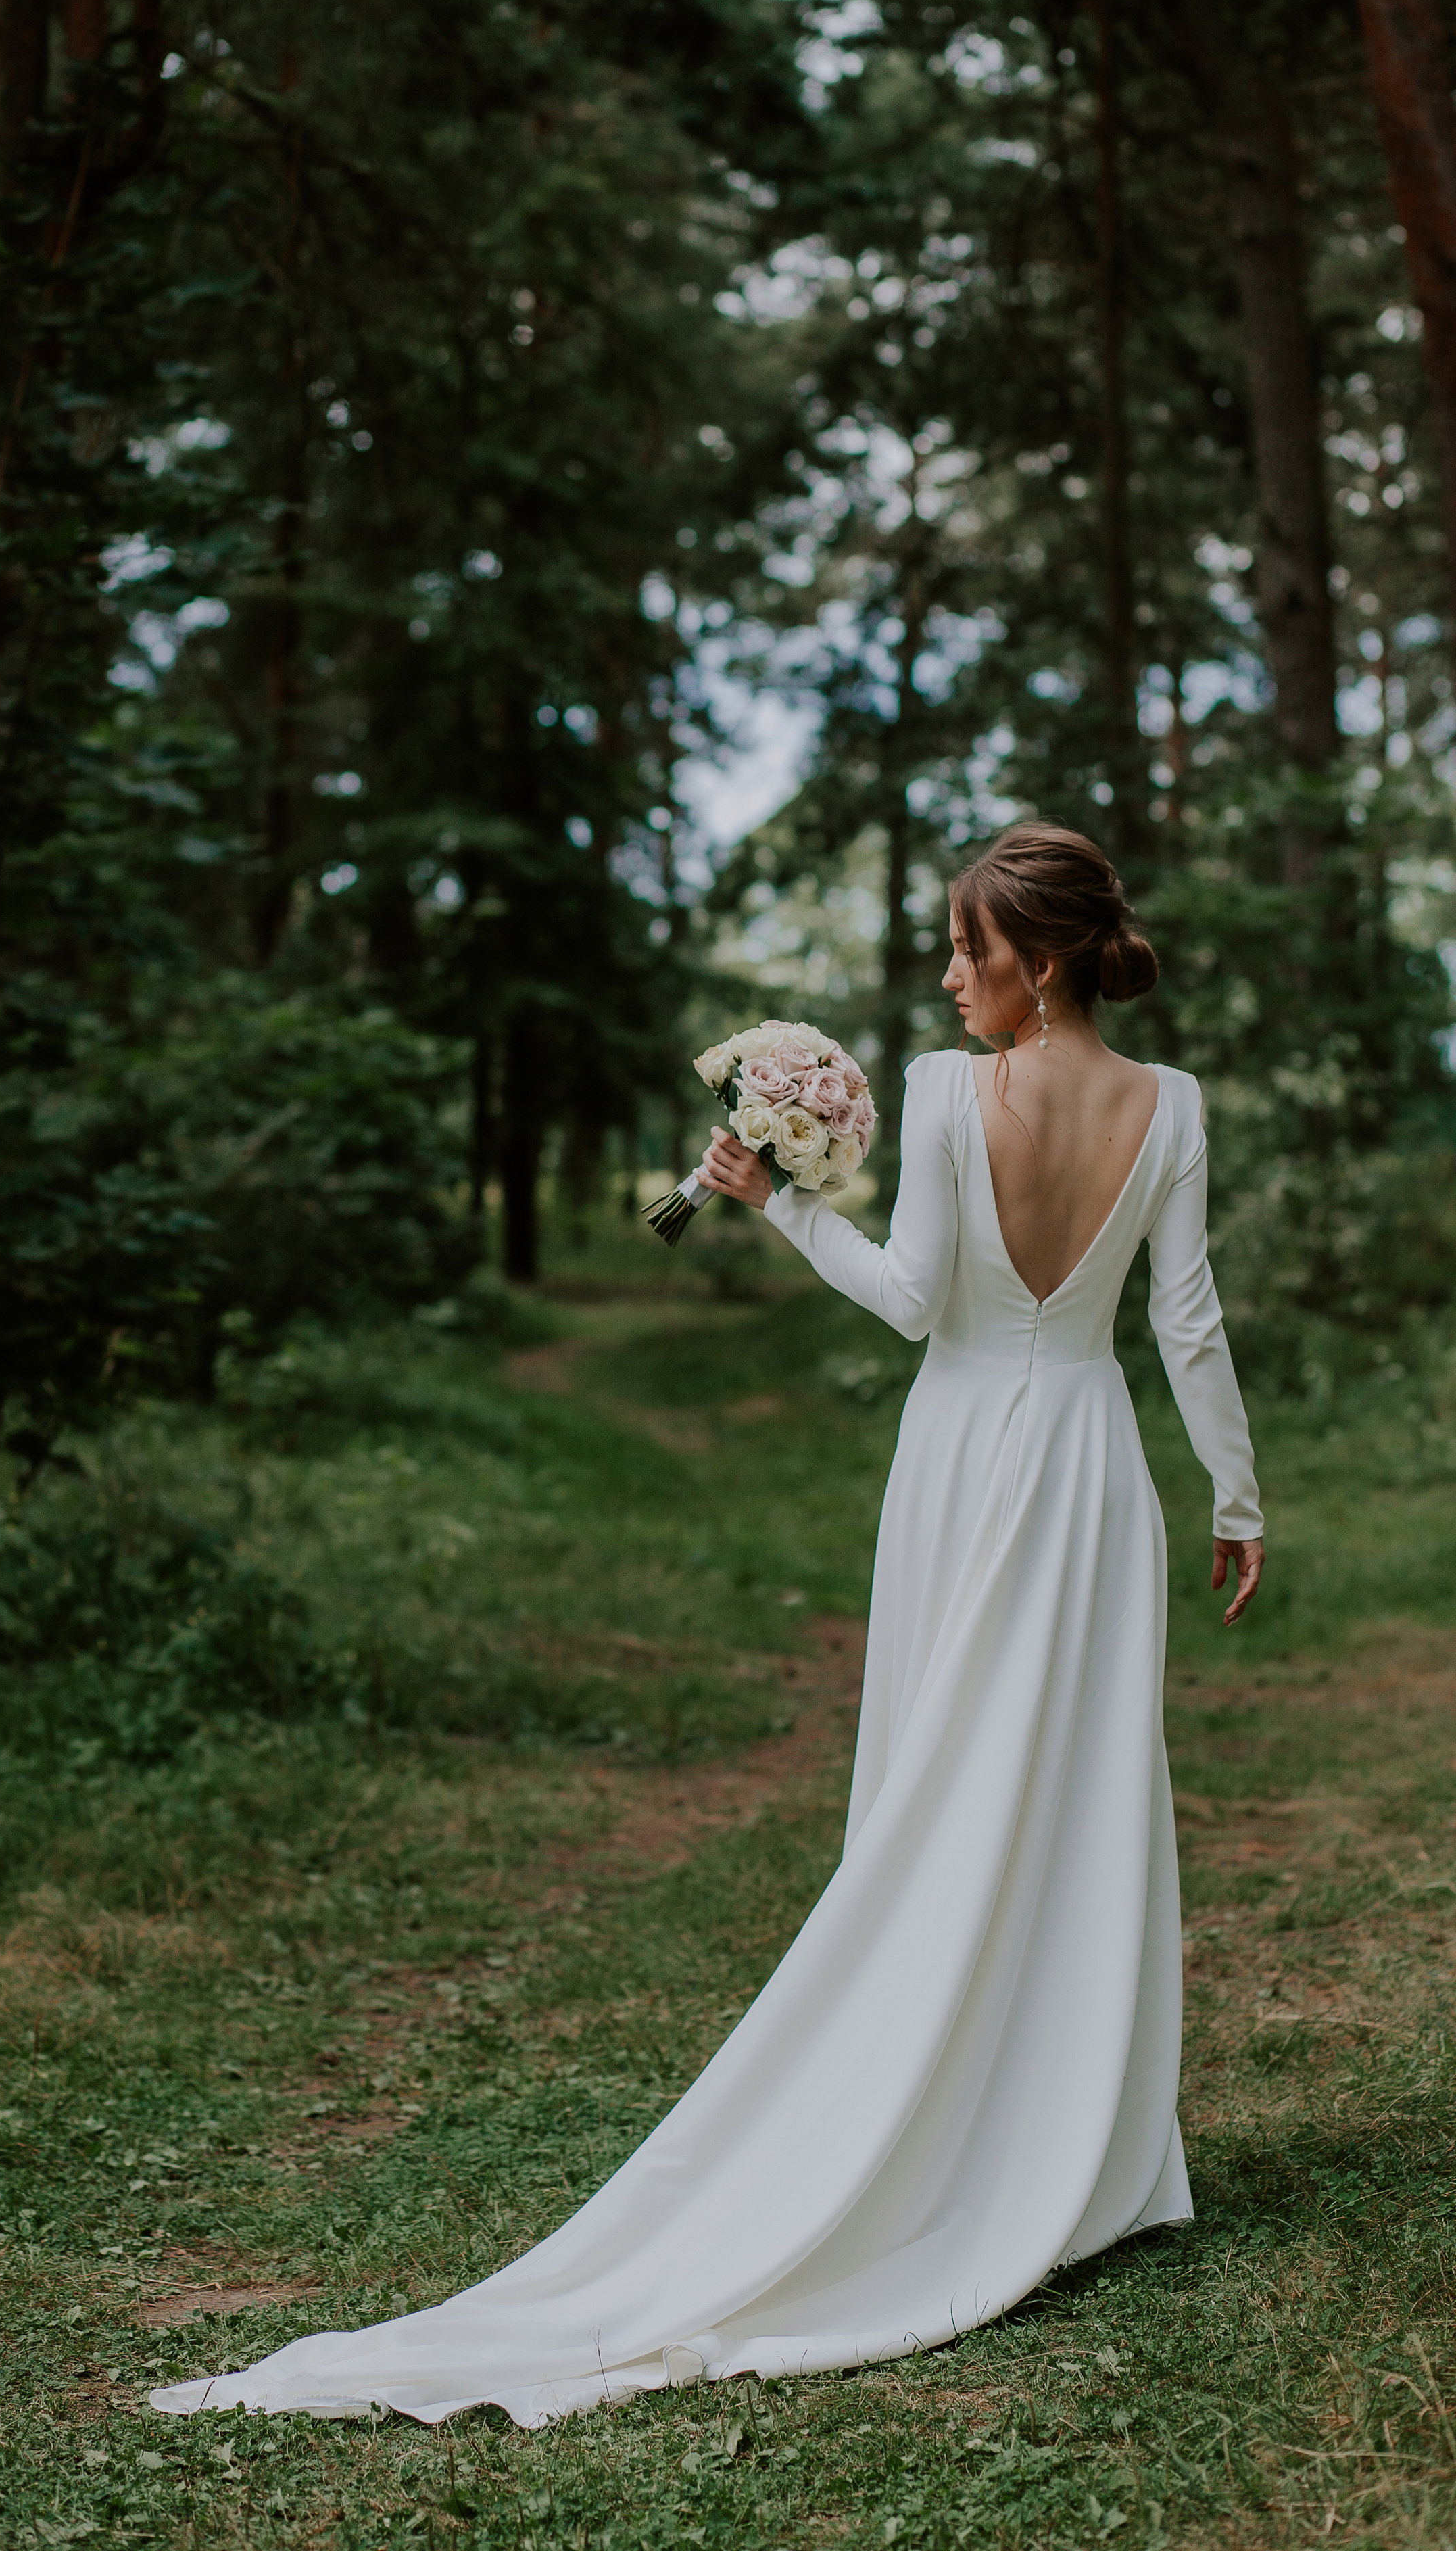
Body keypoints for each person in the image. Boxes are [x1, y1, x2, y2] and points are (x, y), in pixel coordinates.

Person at [151, 821, 1263, 2433]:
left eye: (969, 951)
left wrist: (771, 1204)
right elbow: (1183, 1319)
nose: (949, 978)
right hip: (1094, 1469)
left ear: (1040, 960)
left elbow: (907, 1303)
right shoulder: (1172, 1107)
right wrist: (1232, 1498)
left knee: (939, 1784)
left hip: (962, 1455)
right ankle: (1081, 2151)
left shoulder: (955, 1096)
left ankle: (950, 2115)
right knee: (1082, 1788)